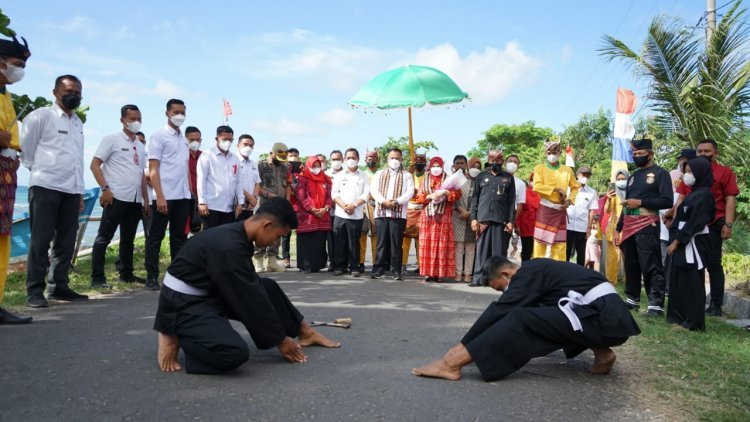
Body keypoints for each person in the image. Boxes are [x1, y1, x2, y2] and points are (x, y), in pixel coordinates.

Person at [154, 197, 340, 374]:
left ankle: (305, 332)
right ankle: (176, 334)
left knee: (267, 286)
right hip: (183, 303)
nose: (275, 242)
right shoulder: (228, 246)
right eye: (277, 236)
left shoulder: (239, 234)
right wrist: (280, 340)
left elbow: (251, 288)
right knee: (233, 353)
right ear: (266, 225)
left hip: (209, 292)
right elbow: (248, 299)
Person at [411, 257, 641, 382]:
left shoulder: (527, 272)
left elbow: (500, 311)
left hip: (604, 320)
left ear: (506, 274)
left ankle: (452, 365)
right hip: (610, 320)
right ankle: (604, 354)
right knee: (547, 313)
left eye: (502, 288)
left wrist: (460, 347)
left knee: (520, 317)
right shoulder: (541, 270)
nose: (505, 294)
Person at [21, 74, 88, 308]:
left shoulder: (77, 123)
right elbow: (26, 153)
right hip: (45, 186)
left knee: (66, 241)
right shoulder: (40, 116)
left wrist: (79, 192)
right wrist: (43, 172)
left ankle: (59, 285)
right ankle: (34, 291)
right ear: (55, 92)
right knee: (40, 240)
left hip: (71, 189)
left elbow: (78, 160)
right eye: (69, 91)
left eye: (78, 92)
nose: (74, 96)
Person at [670, 139, 740, 317]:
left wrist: (728, 223)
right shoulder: (691, 172)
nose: (703, 154)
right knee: (692, 266)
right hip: (691, 226)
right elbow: (681, 199)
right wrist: (674, 219)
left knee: (713, 264)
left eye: (707, 151)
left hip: (715, 222)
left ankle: (715, 305)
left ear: (715, 153)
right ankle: (693, 302)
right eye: (699, 151)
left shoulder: (725, 172)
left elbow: (730, 198)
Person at [89, 104, 150, 288]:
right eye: (132, 119)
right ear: (122, 120)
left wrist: (146, 200)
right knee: (103, 238)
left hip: (134, 199)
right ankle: (97, 278)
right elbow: (94, 165)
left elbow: (141, 174)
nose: (136, 122)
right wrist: (105, 188)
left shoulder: (140, 146)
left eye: (139, 118)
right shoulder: (112, 140)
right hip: (115, 197)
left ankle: (126, 274)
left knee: (128, 240)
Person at [615, 139, 673, 316]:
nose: (638, 157)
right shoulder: (633, 177)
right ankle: (632, 299)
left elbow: (667, 200)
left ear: (650, 154)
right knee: (631, 264)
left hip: (648, 223)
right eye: (635, 154)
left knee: (650, 265)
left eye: (641, 154)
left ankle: (655, 305)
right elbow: (627, 205)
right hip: (629, 224)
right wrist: (618, 228)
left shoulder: (660, 173)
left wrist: (640, 202)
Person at [0, 34, 32, 322]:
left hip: (6, 173)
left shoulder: (6, 94)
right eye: (16, 63)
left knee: (2, 237)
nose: (19, 70)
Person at [145, 99, 192, 291]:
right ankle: (152, 276)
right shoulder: (159, 136)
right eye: (176, 112)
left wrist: (190, 193)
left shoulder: (184, 140)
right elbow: (153, 169)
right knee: (155, 237)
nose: (179, 115)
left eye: (182, 112)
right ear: (167, 113)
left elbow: (184, 169)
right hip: (165, 196)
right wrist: (160, 196)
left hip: (182, 196)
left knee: (179, 237)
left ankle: (176, 276)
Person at [666, 158, 714, 331]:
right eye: (685, 171)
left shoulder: (705, 195)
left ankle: (694, 322)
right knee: (679, 280)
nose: (686, 175)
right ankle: (677, 317)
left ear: (700, 173)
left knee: (692, 281)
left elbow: (695, 222)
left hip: (692, 241)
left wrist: (677, 241)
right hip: (681, 238)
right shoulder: (693, 193)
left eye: (690, 172)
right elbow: (681, 217)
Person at [469, 150, 515, 287]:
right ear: (488, 161)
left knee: (499, 253)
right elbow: (475, 199)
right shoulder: (481, 177)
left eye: (498, 161)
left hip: (501, 220)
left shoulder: (508, 178)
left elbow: (512, 201)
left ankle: (500, 280)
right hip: (483, 220)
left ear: (502, 161)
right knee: (481, 252)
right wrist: (473, 218)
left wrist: (511, 221)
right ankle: (478, 278)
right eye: (492, 160)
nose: (495, 163)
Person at [414, 156, 461, 282]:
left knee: (441, 244)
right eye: (434, 166)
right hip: (428, 216)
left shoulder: (449, 178)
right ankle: (427, 273)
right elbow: (419, 197)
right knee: (427, 244)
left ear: (443, 166)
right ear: (430, 166)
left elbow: (457, 195)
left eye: (438, 166)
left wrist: (446, 193)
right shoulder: (425, 179)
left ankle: (439, 273)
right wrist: (429, 196)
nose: (436, 168)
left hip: (443, 216)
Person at [370, 147, 414, 280]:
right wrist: (383, 201)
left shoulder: (407, 175)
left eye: (397, 158)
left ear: (401, 160)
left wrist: (397, 202)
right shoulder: (379, 173)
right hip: (382, 212)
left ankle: (396, 270)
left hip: (398, 214)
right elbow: (374, 190)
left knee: (396, 243)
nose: (394, 160)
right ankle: (379, 269)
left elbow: (410, 192)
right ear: (387, 159)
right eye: (392, 158)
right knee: (381, 243)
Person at [532, 139, 580, 261]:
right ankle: (538, 271)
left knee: (560, 244)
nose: (552, 155)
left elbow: (575, 187)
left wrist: (569, 201)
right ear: (545, 153)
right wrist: (554, 189)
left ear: (560, 153)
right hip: (545, 208)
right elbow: (536, 186)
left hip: (560, 209)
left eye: (555, 152)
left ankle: (559, 274)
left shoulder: (567, 170)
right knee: (540, 243)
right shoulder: (539, 168)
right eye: (549, 153)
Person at [331, 148, 369, 277]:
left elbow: (366, 194)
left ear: (358, 159)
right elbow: (334, 193)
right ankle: (339, 266)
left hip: (356, 213)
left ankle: (354, 267)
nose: (350, 160)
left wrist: (354, 205)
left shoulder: (364, 176)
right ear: (344, 160)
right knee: (339, 241)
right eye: (348, 158)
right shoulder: (339, 175)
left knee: (354, 242)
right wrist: (343, 205)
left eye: (353, 157)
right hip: (340, 214)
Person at [254, 142, 290, 273]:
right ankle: (258, 260)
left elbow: (287, 185)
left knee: (277, 231)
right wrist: (267, 194)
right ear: (271, 153)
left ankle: (271, 261)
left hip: (280, 204)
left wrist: (287, 201)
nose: (280, 160)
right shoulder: (261, 165)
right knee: (262, 231)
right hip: (265, 203)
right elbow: (255, 184)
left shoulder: (285, 167)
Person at [196, 125, 240, 229]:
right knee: (209, 239)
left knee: (226, 239)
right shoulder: (207, 155)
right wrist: (202, 202)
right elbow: (201, 179)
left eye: (230, 139)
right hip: (211, 206)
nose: (227, 142)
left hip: (229, 208)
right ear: (217, 139)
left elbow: (238, 181)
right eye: (224, 139)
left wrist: (240, 202)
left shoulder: (235, 158)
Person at [294, 156, 332, 273]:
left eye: (318, 166)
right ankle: (305, 265)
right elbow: (301, 196)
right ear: (308, 166)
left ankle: (317, 265)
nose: (316, 168)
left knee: (319, 241)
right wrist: (312, 209)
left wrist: (325, 208)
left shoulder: (326, 179)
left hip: (322, 215)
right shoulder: (302, 178)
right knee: (306, 241)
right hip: (307, 216)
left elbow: (329, 196)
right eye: (313, 166)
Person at [566, 166, 598, 266]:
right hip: (567, 224)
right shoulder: (568, 188)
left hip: (582, 226)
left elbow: (592, 210)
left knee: (581, 252)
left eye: (588, 175)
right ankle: (563, 273)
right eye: (583, 174)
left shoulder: (591, 192)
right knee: (566, 250)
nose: (585, 177)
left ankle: (579, 274)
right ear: (577, 175)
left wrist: (589, 227)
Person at [453, 156, 478, 282]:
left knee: (470, 247)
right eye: (457, 163)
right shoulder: (452, 180)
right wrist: (461, 210)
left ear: (466, 165)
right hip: (457, 216)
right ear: (454, 165)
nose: (460, 166)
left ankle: (468, 273)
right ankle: (458, 272)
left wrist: (470, 212)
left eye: (462, 163)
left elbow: (478, 197)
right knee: (458, 246)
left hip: (472, 216)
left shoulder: (473, 180)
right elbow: (450, 198)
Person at [601, 170, 628, 284]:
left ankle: (629, 279)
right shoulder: (613, 193)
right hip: (614, 227)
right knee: (612, 255)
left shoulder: (632, 192)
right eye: (618, 179)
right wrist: (608, 198)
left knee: (628, 255)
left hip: (628, 226)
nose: (621, 181)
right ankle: (611, 279)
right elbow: (607, 210)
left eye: (623, 179)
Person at [403, 153, 427, 273]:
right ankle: (403, 264)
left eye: (421, 163)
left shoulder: (428, 177)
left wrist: (419, 193)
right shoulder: (408, 175)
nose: (419, 164)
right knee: (405, 239)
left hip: (421, 210)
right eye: (417, 162)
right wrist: (408, 173)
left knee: (420, 240)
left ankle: (421, 264)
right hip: (409, 209)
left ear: (425, 164)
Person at [358, 150, 379, 273]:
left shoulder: (380, 173)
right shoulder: (361, 173)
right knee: (362, 235)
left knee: (375, 236)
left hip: (376, 206)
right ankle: (361, 262)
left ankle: (376, 263)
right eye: (368, 158)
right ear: (365, 160)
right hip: (362, 207)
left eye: (373, 158)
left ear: (377, 159)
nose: (370, 160)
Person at [280, 147, 301, 268]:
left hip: (299, 207)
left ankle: (301, 257)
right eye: (291, 155)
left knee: (300, 233)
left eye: (295, 155)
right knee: (285, 233)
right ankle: (286, 258)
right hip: (287, 205)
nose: (293, 158)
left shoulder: (302, 172)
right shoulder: (282, 170)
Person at [324, 150, 344, 271]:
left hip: (344, 211)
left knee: (342, 238)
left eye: (338, 159)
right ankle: (333, 262)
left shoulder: (347, 173)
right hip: (330, 211)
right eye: (334, 159)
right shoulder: (325, 174)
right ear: (330, 161)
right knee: (331, 239)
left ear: (342, 160)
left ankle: (342, 262)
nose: (336, 161)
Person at [503, 154, 526, 256]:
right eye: (510, 161)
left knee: (504, 246)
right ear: (505, 163)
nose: (512, 163)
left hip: (510, 217)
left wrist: (512, 221)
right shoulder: (498, 178)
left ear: (518, 166)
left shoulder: (520, 184)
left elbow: (520, 204)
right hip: (496, 216)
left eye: (515, 162)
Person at [235, 134, 260, 221]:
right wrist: (249, 197)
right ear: (238, 146)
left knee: (246, 233)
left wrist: (254, 198)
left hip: (250, 206)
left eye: (251, 145)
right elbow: (234, 182)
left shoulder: (254, 164)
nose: (248, 147)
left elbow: (257, 182)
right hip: (236, 205)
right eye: (245, 144)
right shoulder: (233, 161)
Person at [515, 173, 539, 262]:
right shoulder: (525, 192)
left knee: (537, 252)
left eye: (536, 180)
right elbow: (519, 209)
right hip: (526, 225)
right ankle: (525, 270)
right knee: (526, 250)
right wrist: (516, 225)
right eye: (532, 180)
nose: (534, 182)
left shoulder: (543, 194)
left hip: (539, 226)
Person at [185, 126, 203, 233]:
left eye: (197, 139)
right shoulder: (181, 155)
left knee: (200, 229)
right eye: (191, 140)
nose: (195, 142)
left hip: (202, 199)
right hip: (185, 198)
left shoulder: (205, 156)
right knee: (183, 229)